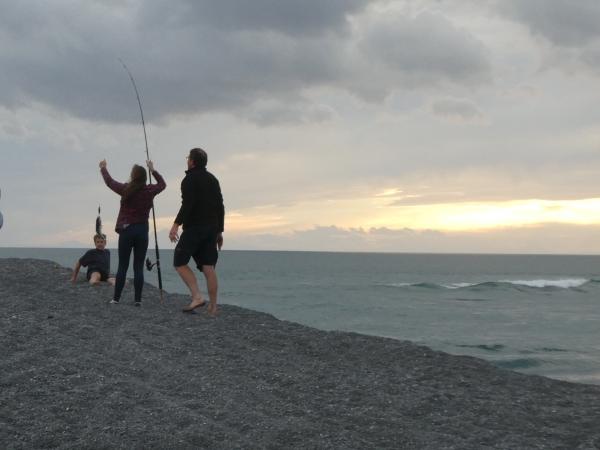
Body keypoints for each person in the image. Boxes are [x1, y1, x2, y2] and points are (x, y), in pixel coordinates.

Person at [100, 159, 166, 306]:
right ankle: (137, 300)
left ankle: (116, 299)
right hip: (142, 231)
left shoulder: (126, 189)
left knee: (122, 265)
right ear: (144, 177)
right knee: (138, 266)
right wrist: (153, 170)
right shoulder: (149, 190)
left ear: (134, 176)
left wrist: (103, 168)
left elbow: (109, 182)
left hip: (126, 230)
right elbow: (162, 184)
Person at [169, 148, 224, 316]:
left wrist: (176, 224)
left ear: (192, 161)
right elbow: (220, 206)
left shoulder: (188, 180)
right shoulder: (213, 179)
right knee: (208, 267)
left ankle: (197, 297)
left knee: (179, 261)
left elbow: (188, 204)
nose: (187, 160)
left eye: (188, 158)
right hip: (212, 228)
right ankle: (213, 307)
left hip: (194, 227)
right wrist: (220, 231)